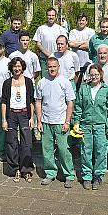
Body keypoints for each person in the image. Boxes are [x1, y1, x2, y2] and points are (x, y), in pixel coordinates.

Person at [35, 57, 76, 188]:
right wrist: (39, 121)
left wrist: (67, 121)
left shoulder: (65, 82)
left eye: (54, 66)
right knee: (46, 150)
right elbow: (38, 102)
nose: (52, 69)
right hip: (46, 122)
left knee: (64, 150)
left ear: (58, 67)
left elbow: (70, 103)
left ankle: (69, 175)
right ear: (46, 67)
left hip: (61, 122)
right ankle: (50, 173)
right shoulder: (42, 82)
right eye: (50, 67)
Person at [72, 64, 108, 190]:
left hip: (100, 126)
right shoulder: (84, 88)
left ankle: (98, 176)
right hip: (86, 125)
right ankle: (87, 177)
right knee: (86, 152)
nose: (94, 76)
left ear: (101, 75)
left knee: (101, 152)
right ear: (89, 75)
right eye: (92, 74)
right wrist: (76, 123)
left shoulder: (106, 90)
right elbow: (78, 106)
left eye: (97, 74)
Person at [0, 57, 35, 183]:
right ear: (11, 67)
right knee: (11, 143)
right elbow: (4, 102)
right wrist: (4, 119)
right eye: (15, 66)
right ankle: (15, 170)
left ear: (23, 67)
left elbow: (32, 101)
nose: (17, 68)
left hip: (25, 114)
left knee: (26, 143)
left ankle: (26, 170)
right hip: (11, 115)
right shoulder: (7, 83)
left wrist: (32, 117)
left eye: (19, 66)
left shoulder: (28, 82)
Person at [33, 7, 67, 78]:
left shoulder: (60, 29)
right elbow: (38, 43)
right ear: (46, 16)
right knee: (45, 78)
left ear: (55, 16)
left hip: (57, 58)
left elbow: (65, 43)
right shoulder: (41, 28)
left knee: (58, 78)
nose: (51, 17)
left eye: (52, 15)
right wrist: (47, 53)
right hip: (44, 58)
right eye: (49, 15)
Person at [69, 13, 95, 87]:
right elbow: (71, 44)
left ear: (86, 21)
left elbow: (90, 45)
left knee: (87, 83)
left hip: (88, 62)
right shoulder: (73, 32)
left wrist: (77, 45)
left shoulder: (91, 31)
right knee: (76, 83)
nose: (81, 22)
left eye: (83, 20)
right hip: (76, 62)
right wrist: (85, 42)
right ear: (77, 21)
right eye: (80, 20)